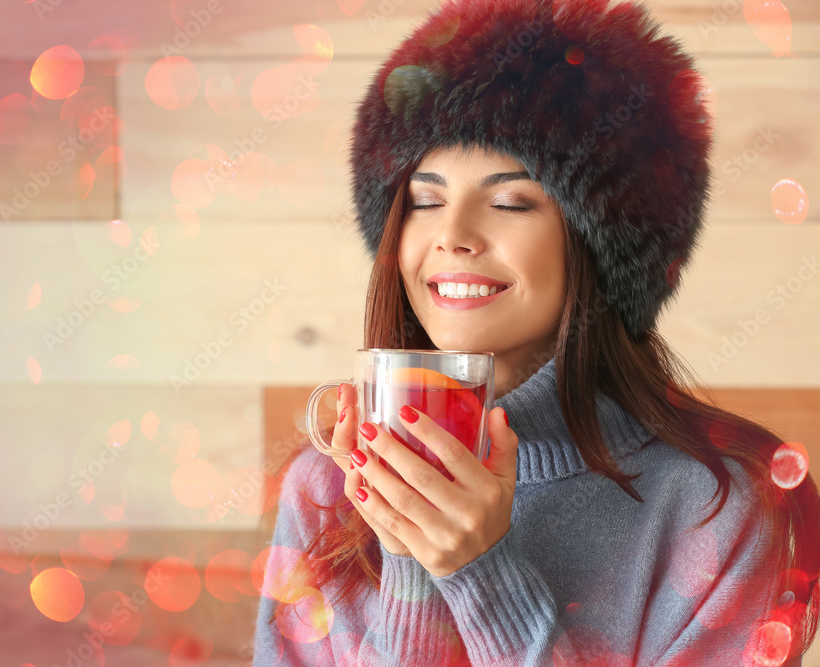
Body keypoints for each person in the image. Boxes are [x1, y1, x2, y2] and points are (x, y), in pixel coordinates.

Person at [253, 0, 820, 664]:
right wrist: (409, 560)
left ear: (600, 243)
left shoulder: (718, 507)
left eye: (510, 202)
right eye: (425, 200)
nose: (453, 235)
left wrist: (478, 571)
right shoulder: (325, 491)